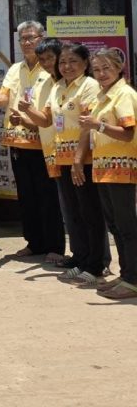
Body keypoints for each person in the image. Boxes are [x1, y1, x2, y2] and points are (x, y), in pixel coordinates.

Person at [19, 43, 106, 285]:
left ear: (85, 64)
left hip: (84, 160)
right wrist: (28, 110)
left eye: (73, 62)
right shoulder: (58, 87)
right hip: (63, 159)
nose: (66, 67)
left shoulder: (89, 86)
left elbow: (88, 125)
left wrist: (78, 160)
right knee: (74, 214)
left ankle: (96, 265)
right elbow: (46, 120)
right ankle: (81, 259)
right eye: (63, 62)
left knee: (90, 213)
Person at [0, 21, 64, 262]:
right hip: (17, 141)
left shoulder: (51, 68)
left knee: (48, 196)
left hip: (45, 141)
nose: (26, 42)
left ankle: (55, 246)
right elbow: (3, 98)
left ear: (41, 37)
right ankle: (34, 243)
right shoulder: (15, 69)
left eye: (30, 37)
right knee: (26, 196)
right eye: (22, 38)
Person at [79, 48, 137, 299]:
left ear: (119, 68)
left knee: (127, 226)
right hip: (105, 169)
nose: (101, 73)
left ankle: (133, 280)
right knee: (115, 225)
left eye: (106, 68)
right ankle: (126, 274)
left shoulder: (124, 94)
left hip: (122, 168)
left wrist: (98, 125)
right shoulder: (103, 95)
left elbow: (128, 133)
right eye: (97, 69)